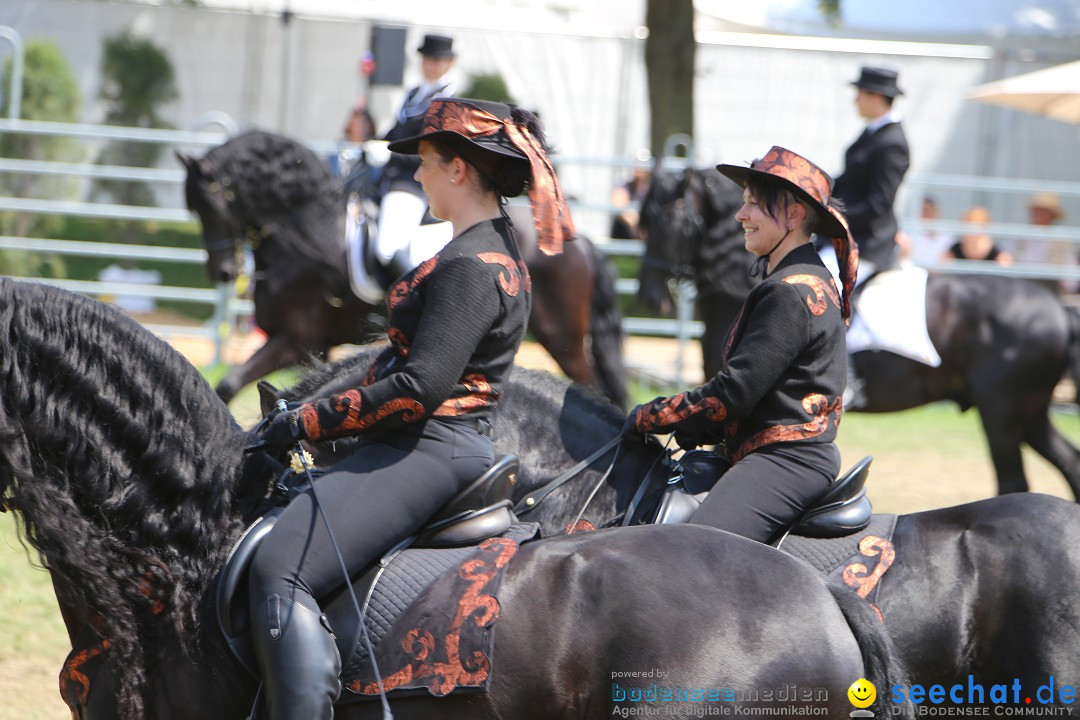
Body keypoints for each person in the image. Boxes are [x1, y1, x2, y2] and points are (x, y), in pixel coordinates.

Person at [250, 97, 574, 719]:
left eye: (425, 163)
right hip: (435, 442)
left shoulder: (471, 265)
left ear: (458, 170)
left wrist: (308, 421)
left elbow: (418, 387)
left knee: (279, 569)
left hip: (429, 446)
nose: (417, 176)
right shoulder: (490, 244)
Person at [623, 146, 857, 544]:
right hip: (771, 453)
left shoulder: (790, 290)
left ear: (794, 216)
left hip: (785, 461)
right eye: (743, 203)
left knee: (692, 553)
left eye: (753, 206)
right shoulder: (801, 278)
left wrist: (652, 416)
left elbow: (734, 393)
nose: (740, 215)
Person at [375, 33, 458, 278]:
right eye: (426, 58)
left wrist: (388, 155)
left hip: (414, 181)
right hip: (388, 177)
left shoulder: (448, 101)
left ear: (448, 63)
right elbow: (395, 131)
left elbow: (432, 151)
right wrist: (374, 142)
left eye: (436, 60)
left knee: (386, 248)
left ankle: (409, 304)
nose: (429, 64)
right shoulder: (413, 94)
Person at [826, 65, 910, 285]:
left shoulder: (892, 144)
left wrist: (833, 216)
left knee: (826, 286)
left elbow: (878, 204)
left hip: (867, 242)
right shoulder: (873, 131)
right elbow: (850, 177)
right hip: (848, 234)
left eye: (860, 94)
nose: (855, 100)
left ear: (877, 97)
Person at [1014, 192, 1075, 293]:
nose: (1036, 214)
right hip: (1022, 291)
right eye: (1035, 210)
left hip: (1049, 294)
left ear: (1052, 214)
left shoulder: (1061, 241)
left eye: (1042, 211)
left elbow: (1071, 280)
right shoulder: (1020, 238)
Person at [944, 206, 1012, 266]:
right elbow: (940, 271)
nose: (968, 232)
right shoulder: (954, 251)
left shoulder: (998, 255)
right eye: (965, 227)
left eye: (973, 228)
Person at [897, 195, 953, 268]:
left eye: (929, 210)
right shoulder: (909, 234)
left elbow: (948, 260)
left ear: (936, 212)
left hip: (939, 276)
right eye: (923, 210)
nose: (926, 214)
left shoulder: (946, 236)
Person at [609, 161, 651, 240]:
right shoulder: (623, 188)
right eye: (636, 169)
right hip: (625, 233)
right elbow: (619, 208)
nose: (638, 173)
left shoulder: (649, 190)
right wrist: (638, 226)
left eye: (641, 169)